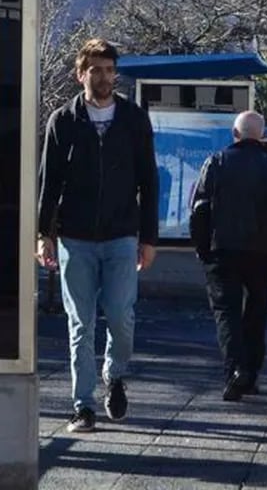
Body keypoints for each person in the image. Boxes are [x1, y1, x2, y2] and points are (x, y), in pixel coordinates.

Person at [36, 38, 159, 433]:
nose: (104, 77)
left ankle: (115, 373)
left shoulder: (134, 119)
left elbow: (149, 180)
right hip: (75, 237)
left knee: (122, 315)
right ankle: (82, 405)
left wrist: (149, 238)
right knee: (80, 324)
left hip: (123, 234)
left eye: (109, 69)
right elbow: (49, 181)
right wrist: (44, 233)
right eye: (96, 70)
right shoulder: (64, 120)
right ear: (81, 74)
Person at [190, 111, 267, 401]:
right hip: (262, 252)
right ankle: (252, 374)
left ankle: (235, 370)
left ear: (234, 134)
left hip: (222, 250)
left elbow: (200, 209)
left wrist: (201, 247)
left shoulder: (216, 163)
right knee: (256, 312)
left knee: (227, 313)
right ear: (263, 136)